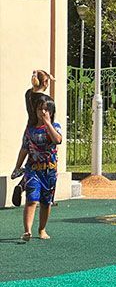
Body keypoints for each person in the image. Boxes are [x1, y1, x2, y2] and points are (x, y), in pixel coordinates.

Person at [16, 95, 62, 241]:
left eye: (46, 109)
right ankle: (27, 231)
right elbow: (24, 149)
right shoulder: (30, 131)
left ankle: (42, 229)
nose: (42, 112)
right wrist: (17, 167)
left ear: (51, 112)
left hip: (49, 171)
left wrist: (47, 123)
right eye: (39, 109)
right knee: (31, 199)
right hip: (33, 169)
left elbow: (57, 140)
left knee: (45, 202)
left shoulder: (55, 127)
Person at [11, 70, 55, 206]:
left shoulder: (28, 94)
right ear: (45, 83)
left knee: (25, 150)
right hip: (41, 131)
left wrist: (42, 75)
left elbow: (35, 85)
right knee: (39, 163)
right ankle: (43, 194)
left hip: (29, 128)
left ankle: (17, 169)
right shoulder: (44, 100)